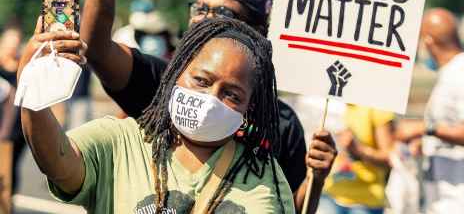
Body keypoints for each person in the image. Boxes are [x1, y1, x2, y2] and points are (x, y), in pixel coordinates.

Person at [74, 0, 335, 210]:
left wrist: (315, 178)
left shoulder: (280, 124)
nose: (205, 20)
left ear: (258, 30)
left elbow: (289, 208)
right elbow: (96, 48)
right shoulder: (165, 83)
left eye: (224, 14)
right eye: (199, 9)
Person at [20, 18, 298, 213]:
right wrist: (30, 83)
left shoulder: (264, 176)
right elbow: (56, 160)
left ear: (249, 107)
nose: (211, 99)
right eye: (201, 80)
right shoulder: (119, 142)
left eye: (232, 95)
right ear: (175, 74)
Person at [396, 8, 464, 214]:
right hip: (445, 200)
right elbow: (454, 129)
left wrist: (426, 129)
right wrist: (424, 142)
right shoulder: (451, 72)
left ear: (428, 41)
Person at [319, 105, 395, 214]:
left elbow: (389, 159)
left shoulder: (378, 108)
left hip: (365, 202)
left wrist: (358, 150)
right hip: (329, 196)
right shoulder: (328, 103)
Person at [0, 27, 24, 194]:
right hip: (2, 122)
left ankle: (8, 200)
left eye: (15, 44)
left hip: (16, 126)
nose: (12, 48)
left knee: (11, 165)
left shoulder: (22, 66)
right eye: (9, 44)